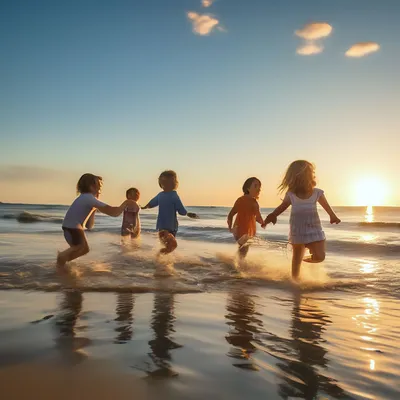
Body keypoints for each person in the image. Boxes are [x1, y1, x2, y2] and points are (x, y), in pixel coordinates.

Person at [264, 160, 341, 280]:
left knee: (320, 257)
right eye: (311, 173)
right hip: (298, 230)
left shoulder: (317, 193)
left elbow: (326, 206)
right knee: (296, 259)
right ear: (301, 177)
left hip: (314, 229)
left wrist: (333, 216)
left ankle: (305, 260)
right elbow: (282, 207)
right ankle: (295, 283)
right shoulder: (291, 195)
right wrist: (272, 215)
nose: (313, 175)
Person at [57, 173, 134, 268]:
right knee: (81, 247)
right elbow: (114, 213)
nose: (100, 189)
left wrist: (94, 209)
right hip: (73, 227)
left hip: (70, 227)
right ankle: (61, 258)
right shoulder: (88, 198)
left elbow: (89, 225)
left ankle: (62, 263)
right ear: (91, 186)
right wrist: (126, 203)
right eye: (98, 185)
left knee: (84, 249)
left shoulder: (85, 198)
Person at [142, 170, 198, 255]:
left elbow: (152, 203)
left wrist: (145, 207)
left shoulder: (163, 195)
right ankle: (158, 257)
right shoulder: (172, 195)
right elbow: (181, 210)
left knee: (169, 246)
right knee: (172, 246)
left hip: (167, 227)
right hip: (166, 228)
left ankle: (162, 261)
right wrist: (186, 213)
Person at [227, 177, 265, 259]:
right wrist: (230, 228)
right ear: (247, 188)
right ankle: (238, 266)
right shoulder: (247, 201)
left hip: (243, 230)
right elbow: (231, 214)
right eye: (255, 186)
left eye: (259, 187)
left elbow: (258, 217)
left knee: (243, 249)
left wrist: (230, 228)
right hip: (243, 229)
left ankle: (235, 264)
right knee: (243, 249)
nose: (258, 189)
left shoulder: (248, 201)